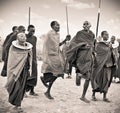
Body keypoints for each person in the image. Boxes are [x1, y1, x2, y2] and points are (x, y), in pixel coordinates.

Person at [40, 21, 70, 99]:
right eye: (57, 25)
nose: (59, 27)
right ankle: (47, 88)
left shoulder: (57, 34)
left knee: (58, 72)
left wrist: (65, 41)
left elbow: (57, 45)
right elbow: (49, 46)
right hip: (50, 56)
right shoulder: (49, 34)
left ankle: (45, 82)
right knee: (56, 73)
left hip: (56, 56)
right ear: (52, 26)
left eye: (59, 25)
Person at [66, 21, 95, 103]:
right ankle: (79, 74)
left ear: (90, 25)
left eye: (87, 24)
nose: (86, 25)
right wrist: (83, 45)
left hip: (89, 55)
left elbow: (93, 43)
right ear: (83, 25)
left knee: (88, 77)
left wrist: (92, 47)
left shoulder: (92, 34)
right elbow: (73, 43)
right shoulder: (79, 33)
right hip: (81, 55)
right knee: (82, 71)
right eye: (84, 24)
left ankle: (83, 96)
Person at [5, 32, 32, 112]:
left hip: (24, 70)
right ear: (17, 38)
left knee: (22, 87)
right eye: (21, 36)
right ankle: (17, 104)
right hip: (15, 71)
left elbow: (29, 59)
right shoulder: (13, 47)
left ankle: (18, 105)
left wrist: (28, 67)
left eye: (24, 36)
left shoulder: (28, 48)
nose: (23, 37)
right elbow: (12, 60)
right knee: (16, 86)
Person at [91, 31, 116, 102]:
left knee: (107, 80)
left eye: (108, 34)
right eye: (106, 34)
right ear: (102, 35)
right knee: (97, 79)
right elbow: (96, 51)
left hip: (108, 65)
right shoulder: (99, 44)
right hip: (100, 65)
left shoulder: (110, 44)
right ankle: (93, 95)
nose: (107, 35)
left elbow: (113, 53)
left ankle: (105, 96)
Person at [25, 25, 38, 96]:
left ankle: (32, 91)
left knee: (34, 75)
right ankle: (24, 91)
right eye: (31, 30)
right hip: (26, 59)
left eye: (34, 31)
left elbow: (34, 49)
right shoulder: (24, 37)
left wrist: (35, 59)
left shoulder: (35, 38)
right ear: (28, 30)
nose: (33, 32)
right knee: (26, 75)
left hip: (33, 59)